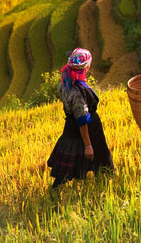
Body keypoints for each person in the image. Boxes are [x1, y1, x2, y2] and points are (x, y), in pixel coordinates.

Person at [46, 48, 114, 188]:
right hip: (86, 128)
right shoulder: (77, 89)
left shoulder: (65, 82)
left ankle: (101, 185)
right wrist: (88, 145)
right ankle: (104, 185)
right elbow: (82, 118)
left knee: (71, 156)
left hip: (72, 126)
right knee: (98, 156)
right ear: (86, 67)